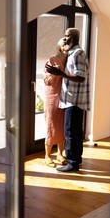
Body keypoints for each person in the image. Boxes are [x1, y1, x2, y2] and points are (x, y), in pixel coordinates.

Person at [46, 28, 90, 172]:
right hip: (73, 99)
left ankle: (72, 163)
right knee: (76, 131)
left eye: (67, 36)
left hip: (74, 100)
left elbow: (80, 77)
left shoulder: (78, 54)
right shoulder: (73, 54)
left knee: (70, 132)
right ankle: (77, 159)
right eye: (64, 36)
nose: (64, 39)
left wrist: (60, 73)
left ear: (75, 38)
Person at [44, 38, 67, 167]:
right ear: (60, 48)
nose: (68, 48)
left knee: (61, 125)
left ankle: (60, 154)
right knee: (51, 126)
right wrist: (54, 74)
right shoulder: (52, 60)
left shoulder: (68, 61)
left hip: (64, 97)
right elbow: (47, 81)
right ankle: (47, 155)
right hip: (52, 97)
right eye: (65, 46)